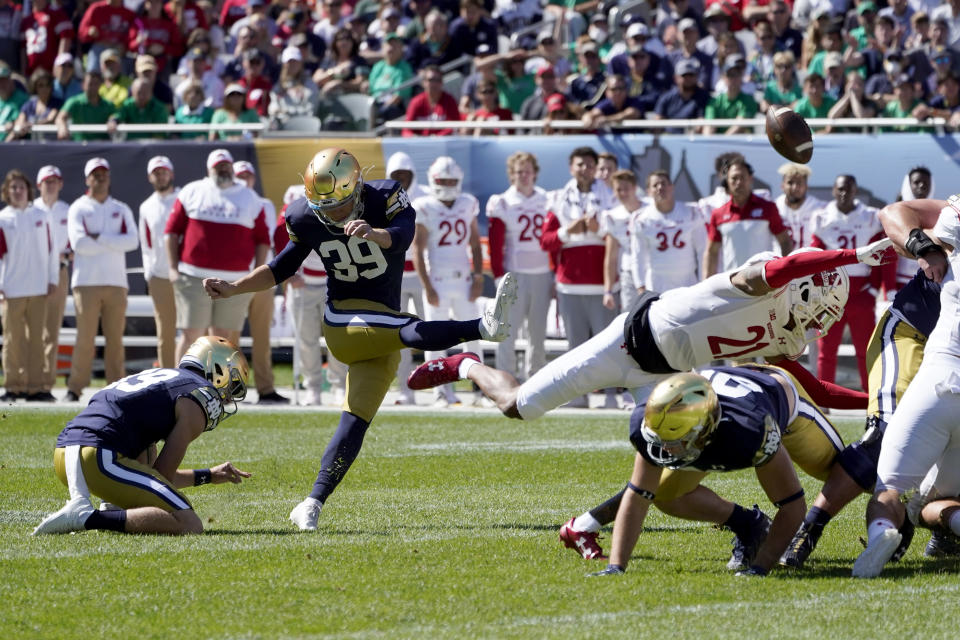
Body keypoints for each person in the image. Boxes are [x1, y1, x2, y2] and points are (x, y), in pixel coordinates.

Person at [202, 147, 519, 531]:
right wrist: (234, 287)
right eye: (326, 207)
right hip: (344, 322)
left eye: (339, 205)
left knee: (354, 423)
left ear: (357, 188)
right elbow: (282, 265)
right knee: (406, 329)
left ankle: (311, 502)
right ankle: (481, 329)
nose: (332, 215)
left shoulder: (385, 196)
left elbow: (403, 236)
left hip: (379, 329)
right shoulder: (304, 214)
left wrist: (377, 234)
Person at [409, 232, 889, 424]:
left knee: (676, 458)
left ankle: (593, 525)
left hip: (666, 376)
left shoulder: (780, 335)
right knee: (519, 408)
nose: (821, 323)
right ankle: (468, 364)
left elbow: (820, 392)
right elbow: (787, 267)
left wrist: (883, 400)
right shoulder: (757, 285)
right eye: (822, 309)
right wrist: (854, 256)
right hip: (627, 341)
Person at [588, 366, 818, 577]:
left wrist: (760, 568)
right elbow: (638, 496)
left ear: (704, 429)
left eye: (675, 439)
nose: (665, 447)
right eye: (661, 438)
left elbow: (792, 504)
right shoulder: (653, 420)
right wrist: (615, 567)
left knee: (838, 469)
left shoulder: (751, 431)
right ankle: (751, 525)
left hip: (784, 397)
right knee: (664, 494)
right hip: (713, 404)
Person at [780, 268, 940, 569]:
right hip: (911, 333)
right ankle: (810, 528)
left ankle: (936, 527)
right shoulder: (947, 225)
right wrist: (922, 245)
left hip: (951, 354)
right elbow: (899, 219)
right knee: (882, 434)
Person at [31, 337, 252, 536]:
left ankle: (112, 506)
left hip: (65, 457)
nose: (227, 397)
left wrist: (208, 475)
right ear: (218, 370)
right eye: (231, 386)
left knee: (147, 448)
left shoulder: (161, 377)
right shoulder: (200, 395)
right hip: (99, 458)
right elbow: (161, 476)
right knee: (188, 522)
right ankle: (87, 518)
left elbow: (152, 477)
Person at [851, 195, 960, 577]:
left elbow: (894, 216)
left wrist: (926, 245)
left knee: (890, 488)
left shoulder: (955, 218)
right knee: (940, 502)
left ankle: (881, 532)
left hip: (941, 372)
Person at [164, 149, 270, 363]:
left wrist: (256, 274)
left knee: (222, 338)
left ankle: (217, 389)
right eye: (218, 165)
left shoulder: (250, 197)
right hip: (193, 276)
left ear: (232, 168)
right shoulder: (192, 190)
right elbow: (171, 232)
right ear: (209, 169)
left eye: (226, 165)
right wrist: (173, 269)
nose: (223, 169)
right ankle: (182, 387)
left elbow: (263, 240)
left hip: (235, 280)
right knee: (191, 335)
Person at [539, 146, 616, 408]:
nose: (584, 169)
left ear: (596, 168)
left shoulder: (612, 196)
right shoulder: (558, 198)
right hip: (570, 284)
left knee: (608, 347)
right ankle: (578, 396)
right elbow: (546, 242)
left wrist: (601, 230)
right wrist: (566, 232)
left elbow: (623, 237)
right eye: (579, 164)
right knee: (575, 347)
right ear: (571, 168)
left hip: (603, 284)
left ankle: (610, 396)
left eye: (589, 165)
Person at [65, 158, 138, 402]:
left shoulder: (121, 207)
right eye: (95, 174)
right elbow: (79, 244)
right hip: (85, 282)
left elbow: (132, 242)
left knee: (115, 339)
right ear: (87, 179)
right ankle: (75, 387)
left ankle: (116, 387)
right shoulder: (78, 207)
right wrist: (112, 240)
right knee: (84, 338)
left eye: (104, 173)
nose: (100, 178)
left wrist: (99, 237)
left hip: (117, 282)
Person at [808, 175, 892, 388]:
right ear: (834, 191)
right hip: (832, 294)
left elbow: (882, 253)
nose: (844, 193)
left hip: (860, 292)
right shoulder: (822, 217)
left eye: (848, 189)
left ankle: (869, 397)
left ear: (855, 191)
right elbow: (814, 257)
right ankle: (824, 398)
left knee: (866, 350)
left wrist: (874, 288)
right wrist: (820, 291)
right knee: (826, 350)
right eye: (840, 189)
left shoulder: (870, 217)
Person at [412, 156, 483, 406]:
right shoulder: (424, 206)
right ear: (433, 180)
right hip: (438, 280)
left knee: (473, 335)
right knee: (435, 339)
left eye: (452, 180)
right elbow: (417, 250)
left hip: (463, 278)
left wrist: (478, 277)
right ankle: (440, 390)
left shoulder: (467, 203)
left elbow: (474, 243)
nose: (448, 184)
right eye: (444, 180)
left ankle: (479, 388)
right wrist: (427, 285)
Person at [274, 186, 347, 407]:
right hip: (304, 283)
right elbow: (278, 238)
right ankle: (313, 386)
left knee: (338, 338)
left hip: (331, 280)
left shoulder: (333, 204)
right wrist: (289, 275)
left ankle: (339, 385)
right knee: (306, 340)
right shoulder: (293, 207)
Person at [486, 151, 552, 381]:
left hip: (542, 273)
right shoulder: (502, 201)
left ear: (535, 173)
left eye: (527, 171)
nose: (523, 176)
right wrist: (497, 275)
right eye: (518, 172)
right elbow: (495, 244)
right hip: (514, 273)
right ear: (511, 175)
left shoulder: (547, 199)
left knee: (537, 332)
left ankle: (536, 378)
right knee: (507, 331)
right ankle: (506, 378)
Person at [233, 160, 289, 404]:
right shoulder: (229, 202)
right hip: (236, 277)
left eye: (248, 176)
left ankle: (265, 388)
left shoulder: (264, 204)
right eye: (240, 176)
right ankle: (230, 388)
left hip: (261, 276)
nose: (245, 180)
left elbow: (269, 237)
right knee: (229, 336)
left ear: (253, 179)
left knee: (262, 336)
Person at [0, 170, 58, 402]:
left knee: (38, 340)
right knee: (13, 341)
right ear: (7, 191)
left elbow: (52, 250)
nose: (17, 191)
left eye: (21, 187)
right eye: (13, 187)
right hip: (11, 290)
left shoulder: (42, 216)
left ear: (28, 190)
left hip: (38, 288)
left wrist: (52, 279)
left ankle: (37, 388)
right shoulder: (2, 218)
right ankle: (13, 386)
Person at [386, 151, 431, 405]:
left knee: (431, 331)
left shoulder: (425, 196)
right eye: (396, 175)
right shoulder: (382, 198)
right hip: (397, 275)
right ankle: (405, 388)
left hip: (425, 274)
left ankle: (439, 388)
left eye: (405, 174)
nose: (401, 178)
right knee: (400, 334)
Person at [704, 158, 793, 277]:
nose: (739, 182)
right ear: (727, 181)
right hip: (732, 282)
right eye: (734, 178)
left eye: (742, 177)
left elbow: (785, 241)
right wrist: (707, 282)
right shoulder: (718, 214)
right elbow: (712, 251)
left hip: (763, 281)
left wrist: (784, 273)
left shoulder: (768, 208)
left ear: (750, 179)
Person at [630, 170, 706, 294]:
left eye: (664, 183)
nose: (660, 188)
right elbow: (638, 255)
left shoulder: (691, 213)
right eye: (655, 185)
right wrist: (640, 285)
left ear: (672, 187)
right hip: (656, 282)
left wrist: (704, 280)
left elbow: (702, 250)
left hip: (687, 281)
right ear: (648, 191)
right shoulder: (641, 218)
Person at [139, 156, 180, 369]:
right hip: (160, 277)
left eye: (164, 171)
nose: (161, 175)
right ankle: (167, 377)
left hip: (187, 275)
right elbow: (146, 245)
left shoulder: (184, 198)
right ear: (150, 177)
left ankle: (194, 378)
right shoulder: (146, 206)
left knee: (194, 330)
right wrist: (150, 275)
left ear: (171, 174)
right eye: (156, 172)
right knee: (165, 332)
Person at [35, 166, 70, 402]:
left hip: (58, 271)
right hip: (32, 273)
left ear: (61, 184)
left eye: (55, 181)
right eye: (47, 181)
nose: (51, 185)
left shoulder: (67, 210)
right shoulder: (31, 210)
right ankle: (28, 381)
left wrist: (66, 255)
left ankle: (45, 383)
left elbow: (73, 243)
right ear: (39, 185)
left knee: (51, 330)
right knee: (31, 330)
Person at [601, 170, 642, 314]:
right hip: (629, 272)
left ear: (635, 188)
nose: (623, 193)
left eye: (626, 188)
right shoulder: (613, 216)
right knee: (630, 317)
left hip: (652, 270)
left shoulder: (649, 209)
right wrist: (608, 291)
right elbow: (611, 256)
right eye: (618, 189)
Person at [775, 162, 824, 250]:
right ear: (782, 186)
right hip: (780, 261)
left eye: (799, 183)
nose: (794, 187)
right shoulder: (774, 207)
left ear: (806, 186)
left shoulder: (820, 208)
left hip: (809, 261)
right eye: (790, 182)